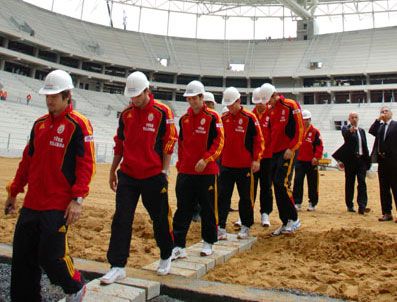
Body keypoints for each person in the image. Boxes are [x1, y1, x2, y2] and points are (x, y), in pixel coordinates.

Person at [4, 69, 95, 302]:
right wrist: (14, 192)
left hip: (58, 204)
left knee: (51, 255)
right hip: (33, 202)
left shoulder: (79, 125)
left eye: (54, 95)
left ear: (67, 96)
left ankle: (75, 285)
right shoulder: (39, 125)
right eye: (47, 95)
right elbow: (27, 161)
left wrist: (78, 199)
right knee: (23, 256)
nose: (49, 100)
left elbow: (86, 164)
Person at [101, 71, 177, 282]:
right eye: (131, 96)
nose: (134, 100)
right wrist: (112, 170)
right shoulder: (126, 114)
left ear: (147, 91)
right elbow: (119, 143)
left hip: (153, 175)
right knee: (121, 219)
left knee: (160, 218)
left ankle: (166, 254)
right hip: (128, 176)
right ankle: (117, 265)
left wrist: (165, 170)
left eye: (138, 96)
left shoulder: (163, 112)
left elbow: (170, 140)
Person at [171, 80, 224, 259]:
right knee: (183, 208)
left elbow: (219, 142)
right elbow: (182, 143)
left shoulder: (213, 117)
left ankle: (208, 242)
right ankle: (178, 245)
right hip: (186, 172)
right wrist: (180, 164)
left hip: (206, 173)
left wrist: (207, 159)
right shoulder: (184, 119)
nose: (192, 102)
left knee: (208, 208)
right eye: (189, 99)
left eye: (195, 98)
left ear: (202, 97)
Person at [217, 87, 264, 240]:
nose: (230, 108)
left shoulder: (250, 118)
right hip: (226, 165)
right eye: (228, 105)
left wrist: (257, 159)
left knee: (245, 197)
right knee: (223, 196)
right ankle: (221, 226)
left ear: (238, 101)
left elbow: (259, 140)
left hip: (244, 166)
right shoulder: (224, 118)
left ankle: (245, 226)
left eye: (232, 105)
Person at [260, 83, 303, 236]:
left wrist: (292, 148)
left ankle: (294, 218)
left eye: (269, 100)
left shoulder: (290, 105)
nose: (268, 103)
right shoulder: (270, 110)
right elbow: (270, 134)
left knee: (282, 183)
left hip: (288, 151)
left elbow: (299, 128)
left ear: (275, 94)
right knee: (276, 186)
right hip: (275, 153)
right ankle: (285, 221)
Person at [333, 112, 371, 214]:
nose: (354, 119)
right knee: (350, 183)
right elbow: (346, 136)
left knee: (362, 182)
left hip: (361, 160)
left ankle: (362, 206)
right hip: (350, 161)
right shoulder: (345, 128)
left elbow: (365, 146)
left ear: (358, 119)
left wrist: (368, 161)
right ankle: (349, 205)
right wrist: (350, 131)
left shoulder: (362, 131)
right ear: (349, 119)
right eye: (352, 117)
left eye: (356, 117)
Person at [369, 106, 397, 222]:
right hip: (382, 161)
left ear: (391, 113)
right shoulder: (380, 127)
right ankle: (386, 212)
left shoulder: (395, 125)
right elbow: (371, 131)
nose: (384, 113)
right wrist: (377, 119)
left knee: (396, 187)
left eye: (386, 111)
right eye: (382, 111)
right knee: (384, 188)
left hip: (394, 161)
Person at [292, 109, 323, 211]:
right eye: (303, 119)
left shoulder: (315, 132)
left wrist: (316, 157)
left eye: (306, 119)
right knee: (297, 181)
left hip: (311, 162)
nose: (304, 121)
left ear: (310, 120)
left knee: (313, 183)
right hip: (299, 161)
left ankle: (312, 203)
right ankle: (297, 202)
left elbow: (319, 146)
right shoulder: (298, 131)